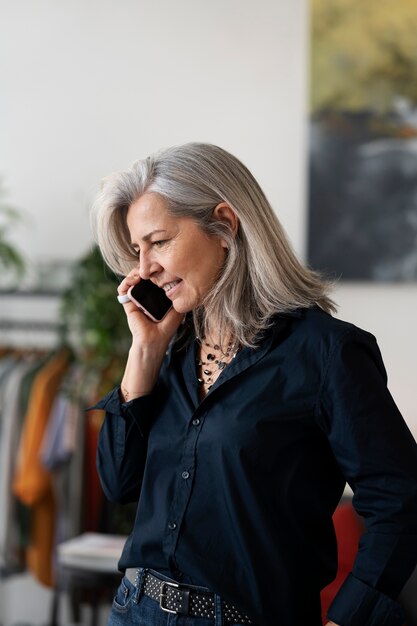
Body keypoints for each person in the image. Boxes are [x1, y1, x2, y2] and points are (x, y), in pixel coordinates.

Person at [91, 142, 417, 626]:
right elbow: (119, 483)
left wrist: (347, 619)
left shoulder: (326, 353)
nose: (145, 268)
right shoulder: (169, 350)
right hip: (132, 610)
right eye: (138, 251)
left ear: (224, 224)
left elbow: (401, 500)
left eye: (158, 241)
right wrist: (144, 351)